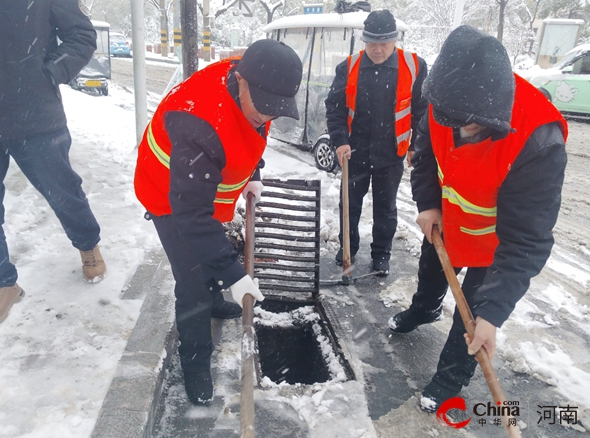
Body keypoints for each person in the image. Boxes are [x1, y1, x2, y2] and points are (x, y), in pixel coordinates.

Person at [388, 25, 568, 412]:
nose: (460, 132)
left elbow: (527, 241)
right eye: (455, 123)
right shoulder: (444, 102)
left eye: (471, 127)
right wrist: (428, 205)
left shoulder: (538, 140)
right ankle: (424, 309)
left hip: (495, 244)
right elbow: (424, 158)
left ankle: (450, 377)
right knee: (431, 273)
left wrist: (494, 313)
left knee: (472, 317)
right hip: (448, 222)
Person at [134, 39, 302, 406]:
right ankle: (195, 365)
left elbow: (249, 132)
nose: (267, 117)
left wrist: (253, 171)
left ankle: (213, 299)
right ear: (241, 81)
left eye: (277, 110)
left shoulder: (255, 81)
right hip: (167, 194)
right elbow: (193, 217)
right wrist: (234, 274)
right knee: (192, 281)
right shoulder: (199, 124)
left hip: (200, 187)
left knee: (212, 253)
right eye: (264, 107)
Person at [0, 0, 107, 327]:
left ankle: (87, 245)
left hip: (35, 116)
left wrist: (49, 74)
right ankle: (2, 281)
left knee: (63, 191)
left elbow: (82, 35)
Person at [325, 9, 428, 276]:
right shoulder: (348, 67)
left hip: (391, 153)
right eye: (372, 43)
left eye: (384, 43)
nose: (378, 49)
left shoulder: (414, 66)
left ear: (394, 41)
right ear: (364, 41)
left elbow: (422, 111)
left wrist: (416, 145)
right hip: (355, 152)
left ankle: (381, 254)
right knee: (349, 204)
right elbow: (334, 107)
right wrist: (340, 141)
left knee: (386, 208)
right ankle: (348, 248)